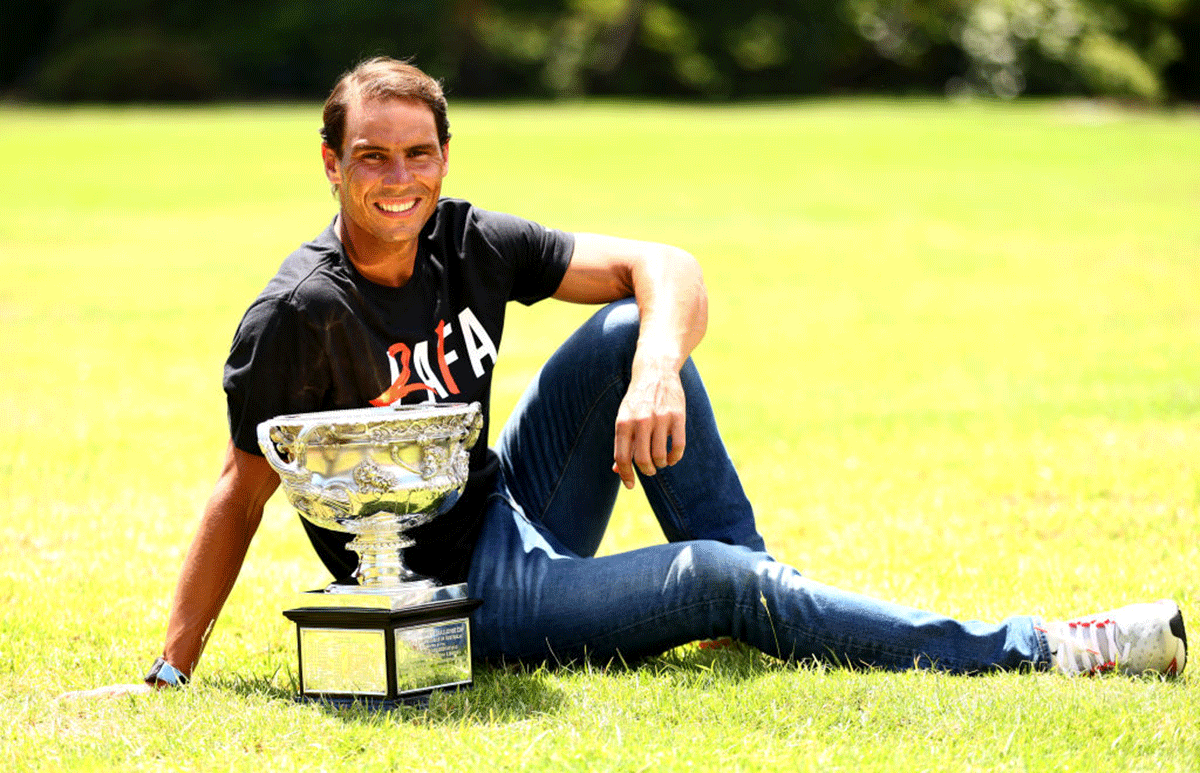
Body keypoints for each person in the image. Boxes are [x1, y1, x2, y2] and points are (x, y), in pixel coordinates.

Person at [70, 57, 1187, 698]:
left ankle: (760, 602)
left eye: (418, 153)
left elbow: (668, 264)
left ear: (444, 156)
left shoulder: (469, 240)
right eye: (372, 155)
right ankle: (1044, 645)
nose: (398, 177)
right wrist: (172, 675)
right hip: (458, 596)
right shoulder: (299, 312)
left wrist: (657, 366)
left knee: (618, 335)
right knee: (707, 574)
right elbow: (240, 485)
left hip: (508, 502)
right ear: (331, 162)